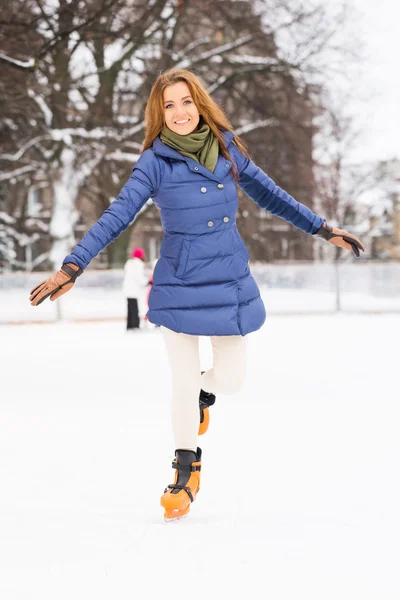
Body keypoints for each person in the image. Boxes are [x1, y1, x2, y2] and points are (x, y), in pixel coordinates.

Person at [29, 68, 365, 522]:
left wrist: (322, 229)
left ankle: (205, 397)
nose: (180, 112)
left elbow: (272, 195)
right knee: (182, 382)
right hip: (179, 283)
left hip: (228, 279)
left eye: (186, 101)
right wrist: (73, 264)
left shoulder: (227, 149)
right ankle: (185, 472)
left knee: (230, 379)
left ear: (199, 104)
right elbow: (117, 214)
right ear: (159, 113)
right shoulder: (155, 162)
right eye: (169, 105)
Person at [122, 246, 147, 330]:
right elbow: (139, 277)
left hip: (127, 288)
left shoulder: (129, 263)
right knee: (134, 308)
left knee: (130, 308)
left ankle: (129, 325)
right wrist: (146, 282)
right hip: (133, 289)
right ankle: (135, 325)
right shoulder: (138, 264)